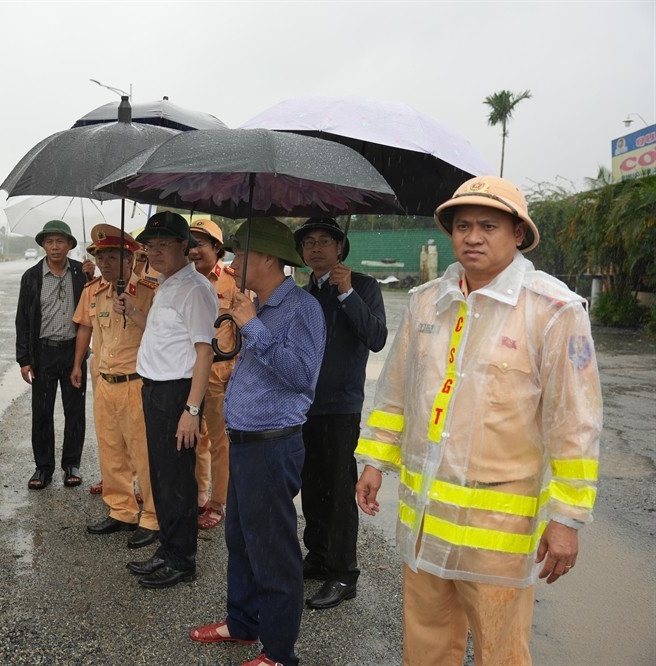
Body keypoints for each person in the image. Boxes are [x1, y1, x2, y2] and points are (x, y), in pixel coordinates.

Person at [355, 176, 602, 665]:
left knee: (501, 650)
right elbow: (398, 392)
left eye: (488, 226)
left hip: (497, 533)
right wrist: (374, 462)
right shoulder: (428, 301)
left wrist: (567, 519)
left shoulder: (553, 310)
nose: (473, 237)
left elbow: (574, 423)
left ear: (518, 234)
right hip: (426, 520)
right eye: (463, 226)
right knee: (425, 645)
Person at [190, 218, 325, 666]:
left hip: (272, 445)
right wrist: (248, 320)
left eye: (241, 253)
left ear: (268, 258)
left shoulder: (302, 308)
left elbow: (302, 376)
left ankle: (280, 652)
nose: (232, 262)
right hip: (246, 442)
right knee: (241, 540)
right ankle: (243, 623)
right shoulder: (258, 303)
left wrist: (253, 326)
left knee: (273, 551)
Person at [295, 218, 388, 610]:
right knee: (311, 487)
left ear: (340, 247)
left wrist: (347, 293)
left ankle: (343, 573)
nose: (316, 248)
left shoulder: (363, 286)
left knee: (337, 491)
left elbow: (377, 338)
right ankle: (318, 556)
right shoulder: (303, 294)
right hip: (304, 405)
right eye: (309, 242)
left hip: (341, 406)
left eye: (324, 241)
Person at [123, 211, 217, 590]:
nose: (155, 252)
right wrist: (134, 312)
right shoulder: (167, 284)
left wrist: (191, 410)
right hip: (155, 391)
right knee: (162, 476)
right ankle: (167, 548)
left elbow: (204, 352)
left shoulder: (195, 289)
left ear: (184, 246)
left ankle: (182, 560)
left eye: (163, 244)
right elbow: (165, 336)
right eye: (150, 245)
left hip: (178, 393)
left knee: (177, 479)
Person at [71, 224, 160, 549]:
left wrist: (132, 309)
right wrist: (78, 365)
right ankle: (122, 510)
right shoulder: (93, 291)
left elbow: (161, 335)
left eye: (111, 257)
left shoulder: (149, 291)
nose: (104, 263)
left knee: (144, 454)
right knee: (111, 452)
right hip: (104, 382)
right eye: (100, 257)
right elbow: (87, 330)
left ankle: (153, 517)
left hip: (136, 384)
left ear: (130, 258)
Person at [15, 219, 90, 490]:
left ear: (70, 245)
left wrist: (93, 277)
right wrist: (24, 360)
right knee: (42, 412)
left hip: (74, 352)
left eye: (60, 241)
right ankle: (43, 467)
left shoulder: (81, 273)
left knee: (75, 411)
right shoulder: (31, 277)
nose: (55, 247)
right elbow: (22, 320)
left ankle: (71, 465)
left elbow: (96, 307)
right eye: (49, 242)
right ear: (43, 245)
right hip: (43, 353)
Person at [188, 218, 240, 530]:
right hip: (189, 372)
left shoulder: (234, 283)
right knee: (194, 438)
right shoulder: (184, 280)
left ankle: (218, 502)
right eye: (189, 244)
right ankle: (199, 494)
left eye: (199, 244)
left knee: (221, 442)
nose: (192, 250)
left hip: (221, 374)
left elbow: (245, 331)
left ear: (217, 248)